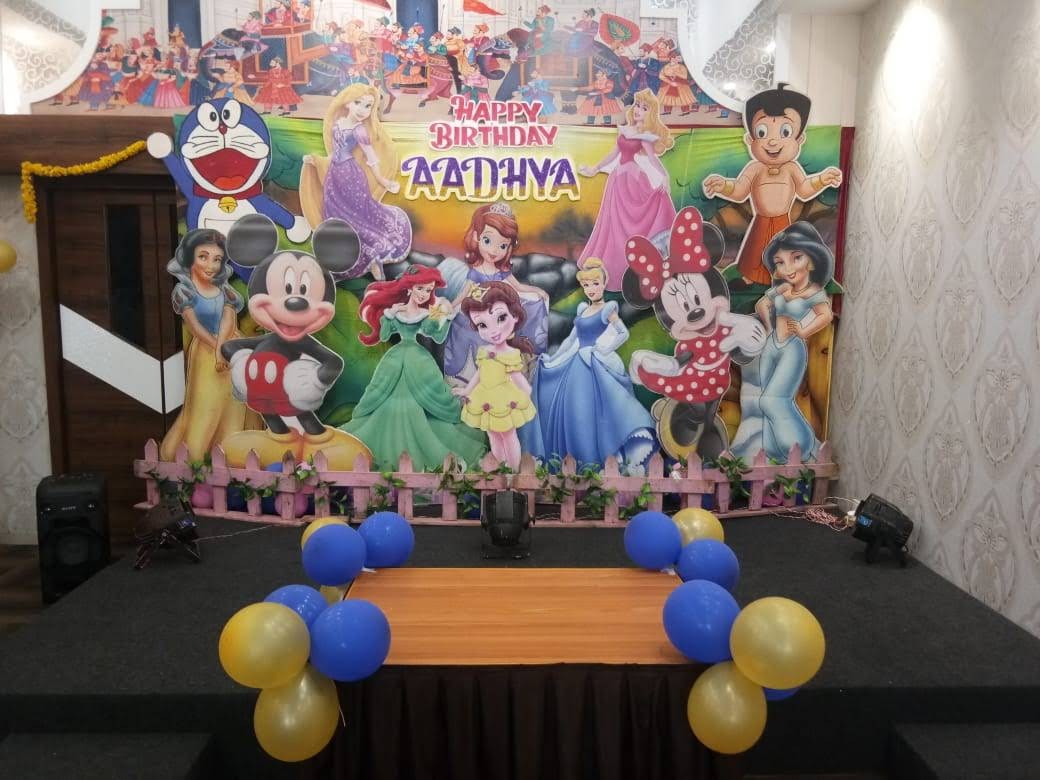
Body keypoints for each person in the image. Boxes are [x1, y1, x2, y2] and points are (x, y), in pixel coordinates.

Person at [343, 266, 488, 471]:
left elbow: (436, 335)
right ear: (410, 288)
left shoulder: (426, 313)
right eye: (421, 288)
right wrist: (390, 315)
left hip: (419, 362)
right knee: (386, 402)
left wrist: (445, 314)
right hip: (395, 360)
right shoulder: (397, 311)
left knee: (422, 404)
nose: (424, 294)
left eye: (428, 290)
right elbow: (384, 335)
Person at [520, 259, 656, 471]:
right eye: (586, 285)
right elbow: (571, 339)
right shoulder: (583, 309)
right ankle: (571, 458)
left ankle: (600, 456)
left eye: (595, 284)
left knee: (596, 409)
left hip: (593, 362)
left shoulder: (608, 309)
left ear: (603, 283)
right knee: (572, 408)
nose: (591, 289)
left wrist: (602, 349)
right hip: (576, 361)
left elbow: (622, 333)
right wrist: (554, 359)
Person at [702, 83, 842, 285]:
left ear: (799, 139)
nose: (772, 142)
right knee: (755, 250)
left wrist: (821, 180)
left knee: (783, 252)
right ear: (750, 140)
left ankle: (782, 278)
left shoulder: (791, 168)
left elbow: (804, 189)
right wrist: (723, 186)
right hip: (760, 221)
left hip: (783, 222)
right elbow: (739, 190)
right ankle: (750, 277)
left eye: (785, 131)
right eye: (762, 132)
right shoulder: (755, 168)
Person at [729, 222, 834, 462]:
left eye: (796, 258)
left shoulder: (813, 293)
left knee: (774, 400)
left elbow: (826, 315)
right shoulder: (784, 288)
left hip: (791, 348)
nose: (788, 268)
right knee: (760, 399)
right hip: (772, 344)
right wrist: (768, 327)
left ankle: (802, 446)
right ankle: (772, 448)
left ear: (812, 260)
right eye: (780, 262)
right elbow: (762, 304)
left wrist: (804, 330)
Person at [160, 230, 258, 461]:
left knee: (235, 402)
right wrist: (215, 349)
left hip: (230, 346)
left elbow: (228, 319)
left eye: (217, 259)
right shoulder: (184, 292)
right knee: (206, 402)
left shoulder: (225, 291)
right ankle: (196, 453)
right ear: (189, 257)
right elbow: (194, 327)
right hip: (205, 351)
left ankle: (231, 450)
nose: (211, 265)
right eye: (203, 257)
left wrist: (222, 349)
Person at [299, 83, 412, 280]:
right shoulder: (337, 124)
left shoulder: (360, 131)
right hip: (334, 176)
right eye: (358, 103)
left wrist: (382, 180)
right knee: (334, 215)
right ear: (347, 103)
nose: (362, 110)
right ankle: (340, 257)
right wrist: (316, 160)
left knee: (357, 215)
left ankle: (372, 257)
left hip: (352, 177)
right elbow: (334, 153)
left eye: (368, 106)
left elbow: (371, 157)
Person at [577, 88, 675, 291]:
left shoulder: (645, 136)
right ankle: (614, 267)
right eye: (637, 105)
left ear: (650, 113)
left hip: (634, 181)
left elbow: (652, 159)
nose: (638, 110)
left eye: (644, 108)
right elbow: (614, 154)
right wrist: (595, 168)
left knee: (634, 223)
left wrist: (664, 176)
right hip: (617, 181)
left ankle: (637, 266)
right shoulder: (625, 130)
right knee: (613, 224)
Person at [443, 203, 548, 380]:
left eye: (502, 246)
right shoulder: (476, 271)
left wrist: (537, 290)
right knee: (464, 324)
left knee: (531, 307)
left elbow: (519, 287)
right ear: (476, 237)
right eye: (487, 241)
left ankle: (523, 362)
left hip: (500, 310)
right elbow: (464, 293)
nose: (493, 250)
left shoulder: (502, 271)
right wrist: (450, 306)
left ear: (509, 247)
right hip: (481, 310)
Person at [455, 283, 536, 470]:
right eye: (482, 325)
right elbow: (480, 374)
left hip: (504, 398)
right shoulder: (484, 351)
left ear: (515, 315)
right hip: (485, 396)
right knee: (493, 434)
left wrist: (526, 392)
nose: (493, 331)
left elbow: (517, 376)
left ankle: (513, 471)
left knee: (508, 435)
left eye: (501, 318)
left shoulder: (511, 353)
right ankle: (499, 468)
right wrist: (467, 390)